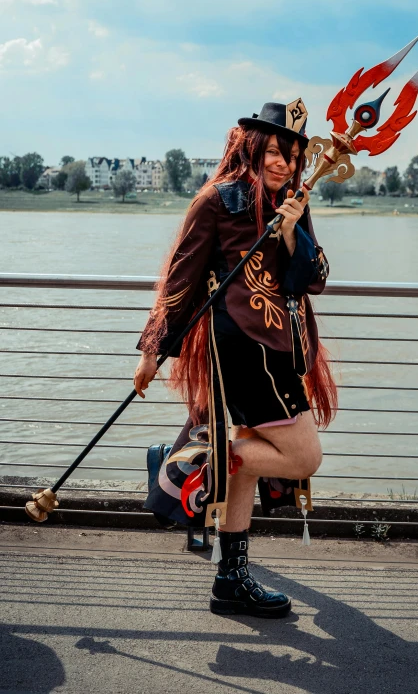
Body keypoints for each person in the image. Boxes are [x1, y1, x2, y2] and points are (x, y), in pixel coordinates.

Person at [134, 100, 337, 618]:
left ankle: (230, 580)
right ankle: (204, 464)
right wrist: (154, 350)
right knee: (303, 457)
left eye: (290, 156)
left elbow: (315, 279)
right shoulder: (217, 201)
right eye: (273, 152)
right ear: (251, 149)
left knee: (248, 467)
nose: (283, 164)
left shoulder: (293, 200)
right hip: (243, 354)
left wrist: (294, 230)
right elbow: (182, 278)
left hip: (284, 351)